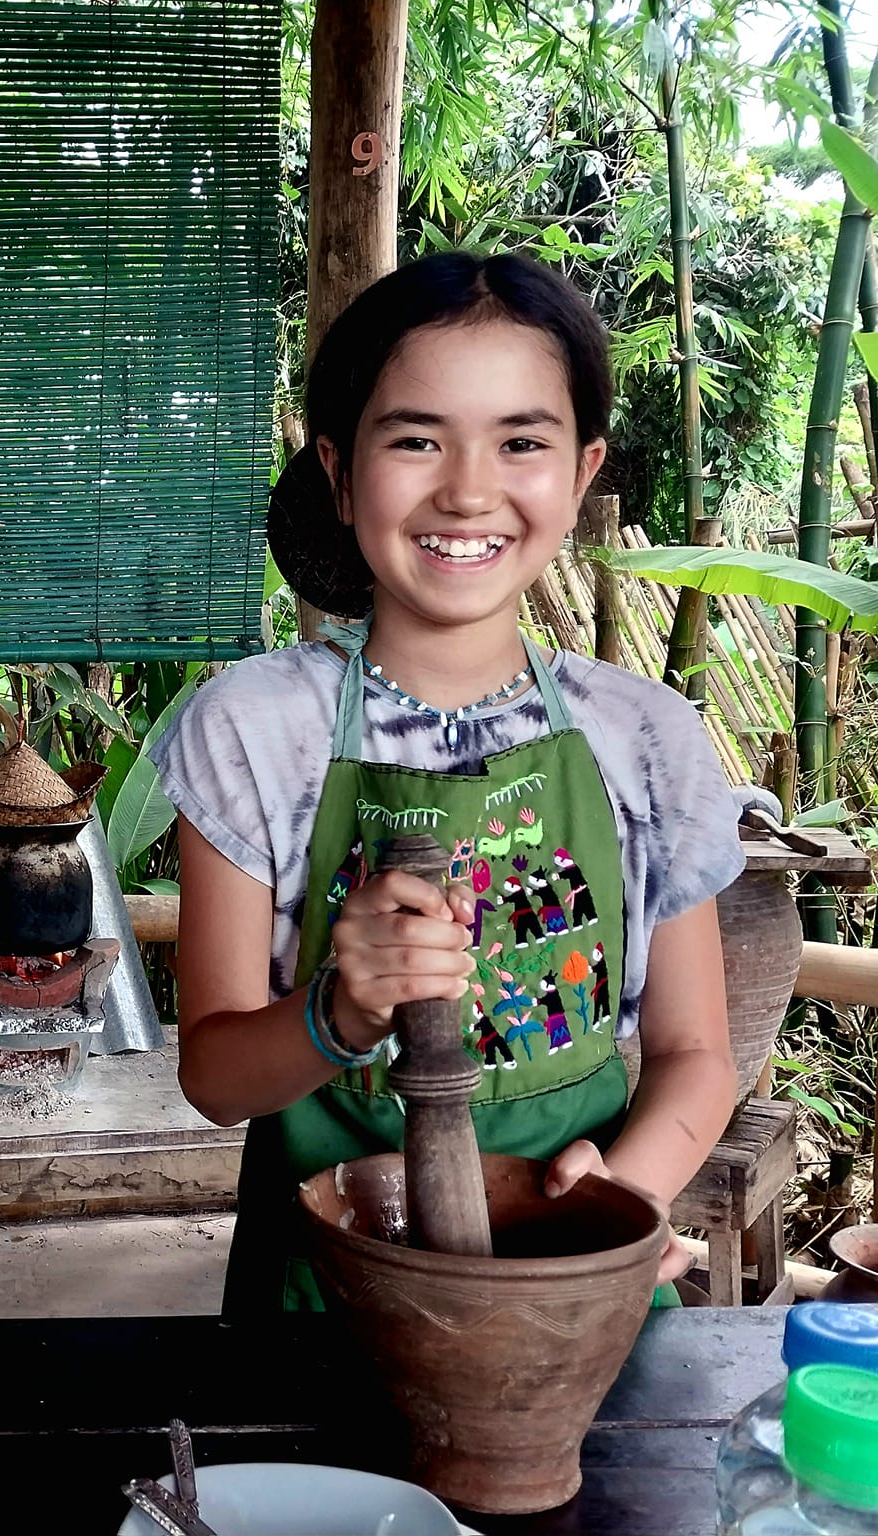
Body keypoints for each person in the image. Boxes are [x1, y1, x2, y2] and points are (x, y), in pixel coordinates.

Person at [151, 251, 742, 1314]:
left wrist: (625, 1192)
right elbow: (216, 1080)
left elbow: (694, 1052)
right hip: (324, 1293)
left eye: (521, 442)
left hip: (577, 1283)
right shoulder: (251, 731)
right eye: (415, 439)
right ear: (339, 472)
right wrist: (339, 1010)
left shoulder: (645, 738)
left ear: (581, 471)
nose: (468, 490)